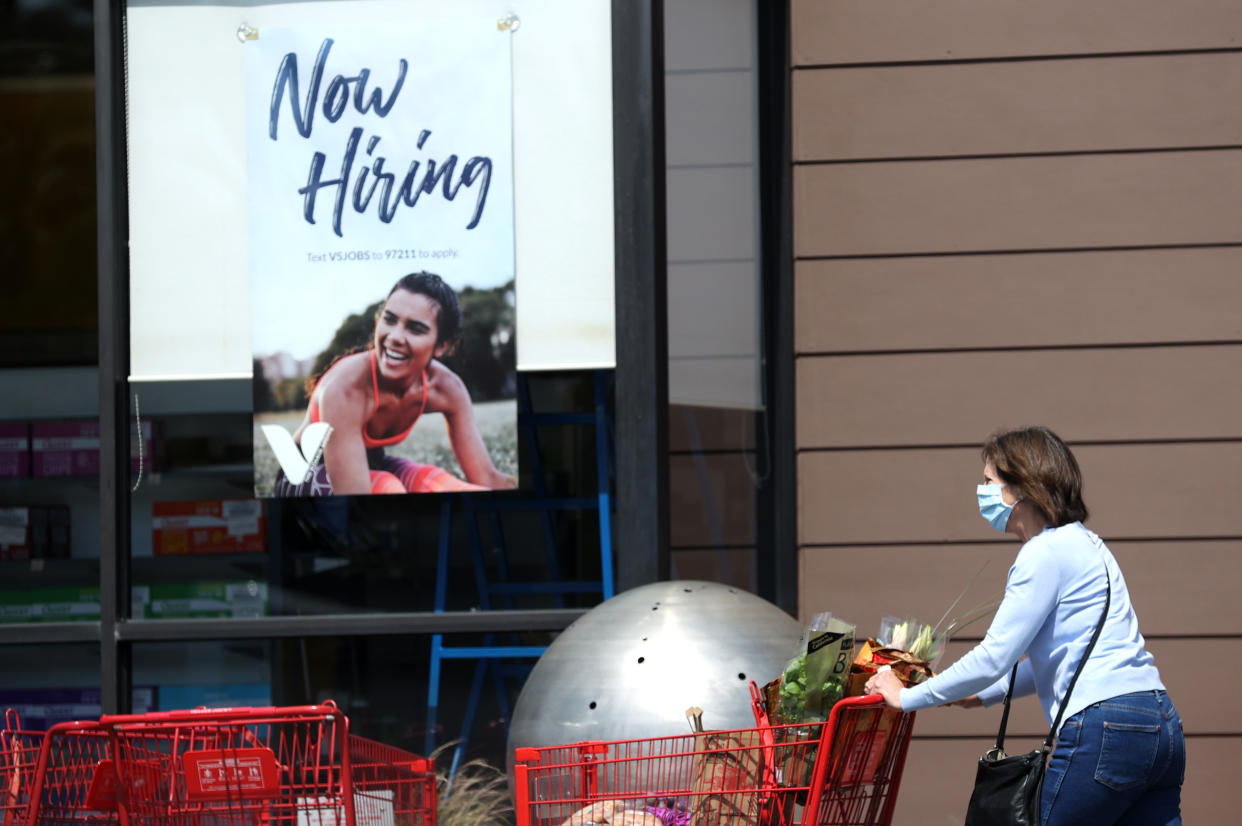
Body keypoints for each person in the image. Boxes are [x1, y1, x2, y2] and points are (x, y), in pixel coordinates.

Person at [866, 426, 1184, 826]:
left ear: (1021, 487)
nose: (981, 491)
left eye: (988, 481)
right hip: (1160, 723)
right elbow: (1056, 659)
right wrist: (980, 696)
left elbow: (994, 656)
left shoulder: (1041, 554)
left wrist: (907, 697)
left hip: (1104, 730)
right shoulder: (1090, 545)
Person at [273, 271, 517, 495]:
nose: (395, 337)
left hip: (372, 464)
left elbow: (486, 477)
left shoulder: (447, 389)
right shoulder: (345, 390)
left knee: (437, 482)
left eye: (416, 329)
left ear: (443, 346)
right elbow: (355, 505)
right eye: (389, 320)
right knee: (389, 488)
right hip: (301, 474)